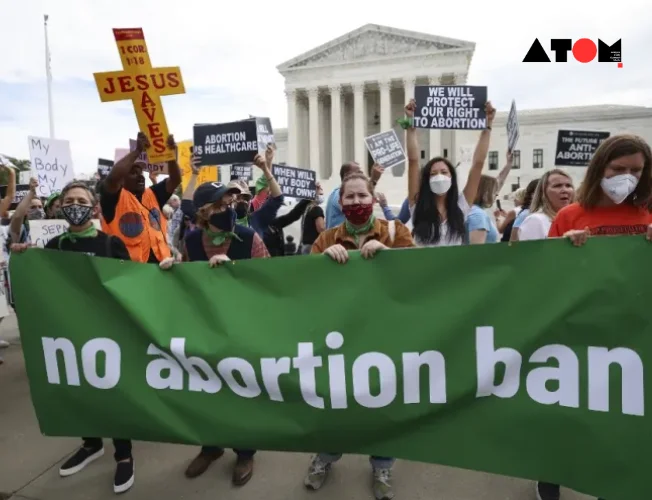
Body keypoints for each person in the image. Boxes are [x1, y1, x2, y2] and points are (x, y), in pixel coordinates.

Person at [11, 181, 134, 494]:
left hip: (108, 336)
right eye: (69, 200)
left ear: (93, 207)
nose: (75, 204)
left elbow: (134, 286)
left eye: (81, 199)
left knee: (114, 394)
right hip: (70, 335)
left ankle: (123, 455)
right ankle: (91, 444)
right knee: (79, 389)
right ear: (60, 207)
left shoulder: (111, 245)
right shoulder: (55, 248)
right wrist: (25, 258)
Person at [306, 172, 414, 500]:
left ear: (373, 198)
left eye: (361, 196)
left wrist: (390, 255)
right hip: (340, 337)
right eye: (349, 197)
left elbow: (419, 275)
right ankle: (325, 457)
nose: (356, 202)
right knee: (335, 401)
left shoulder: (396, 231)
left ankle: (382, 465)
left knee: (381, 404)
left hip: (384, 336)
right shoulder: (326, 239)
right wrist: (321, 264)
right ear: (340, 202)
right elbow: (305, 287)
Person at [159, 181, 268, 485]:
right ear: (204, 212)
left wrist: (234, 271)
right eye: (220, 205)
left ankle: (245, 452)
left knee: (240, 390)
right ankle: (211, 446)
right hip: (205, 329)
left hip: (242, 330)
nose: (228, 209)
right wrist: (171, 270)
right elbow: (186, 277)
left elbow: (270, 281)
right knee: (206, 389)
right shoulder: (192, 241)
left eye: (231, 204)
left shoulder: (248, 238)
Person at [404, 98, 495, 246]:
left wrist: (488, 125)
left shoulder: (461, 206)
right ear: (426, 180)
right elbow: (413, 161)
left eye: (444, 172)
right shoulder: (417, 204)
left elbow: (478, 164)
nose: (439, 176)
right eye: (433, 174)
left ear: (452, 177)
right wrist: (410, 124)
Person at [550, 134, 652, 243]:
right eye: (618, 169)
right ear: (598, 169)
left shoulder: (649, 212)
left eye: (636, 170)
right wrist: (564, 246)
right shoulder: (567, 216)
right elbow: (549, 258)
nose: (627, 176)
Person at [99, 131, 181, 263]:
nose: (140, 176)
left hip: (161, 268)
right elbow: (112, 179)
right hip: (129, 273)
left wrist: (170, 157)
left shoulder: (152, 194)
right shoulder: (114, 198)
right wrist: (138, 151)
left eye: (141, 172)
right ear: (122, 179)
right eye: (133, 172)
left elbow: (175, 180)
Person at [519, 169, 574, 241]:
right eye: (557, 186)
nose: (565, 190)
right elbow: (530, 251)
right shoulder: (536, 221)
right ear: (543, 192)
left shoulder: (574, 219)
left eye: (568, 185)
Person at [325, 164, 383, 228]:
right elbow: (357, 213)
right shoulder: (338, 194)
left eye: (362, 196)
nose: (356, 201)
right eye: (359, 173)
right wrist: (373, 179)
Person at [465, 174, 500, 244]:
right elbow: (477, 250)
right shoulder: (478, 214)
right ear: (485, 192)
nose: (496, 195)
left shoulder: (470, 209)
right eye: (494, 191)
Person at [299, 184, 326, 254]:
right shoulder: (317, 209)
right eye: (320, 194)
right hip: (313, 245)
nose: (322, 196)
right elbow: (321, 229)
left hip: (305, 245)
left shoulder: (307, 209)